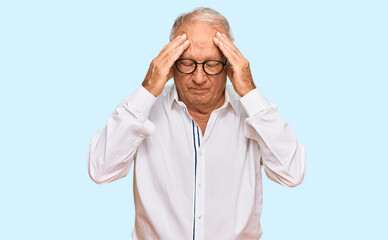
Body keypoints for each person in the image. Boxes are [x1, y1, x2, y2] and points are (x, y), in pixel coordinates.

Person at [87, 7, 306, 240]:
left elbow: (292, 174)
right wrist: (148, 88)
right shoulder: (141, 112)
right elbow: (101, 170)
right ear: (171, 64)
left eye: (211, 64)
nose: (199, 78)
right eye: (187, 63)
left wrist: (250, 92)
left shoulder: (254, 114)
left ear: (229, 65)